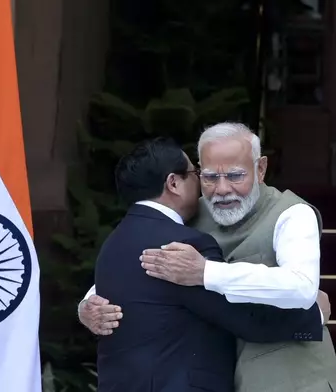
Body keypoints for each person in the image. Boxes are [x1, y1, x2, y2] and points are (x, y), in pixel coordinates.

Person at [80, 123, 336, 391]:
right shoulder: (192, 213)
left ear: (260, 169)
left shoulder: (292, 214)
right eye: (210, 177)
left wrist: (205, 272)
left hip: (292, 377)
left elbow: (301, 287)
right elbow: (148, 265)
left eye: (235, 175)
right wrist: (88, 304)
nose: (222, 189)